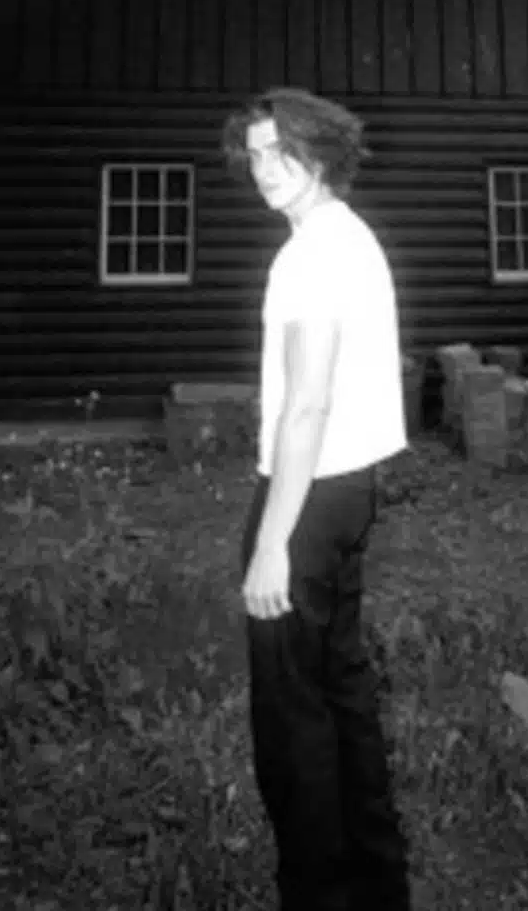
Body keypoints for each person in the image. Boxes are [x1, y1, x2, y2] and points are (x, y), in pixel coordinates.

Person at [222, 87, 412, 911]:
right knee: (342, 693)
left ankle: (319, 893)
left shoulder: (309, 258)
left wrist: (272, 542)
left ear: (323, 153)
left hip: (304, 502)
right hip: (349, 492)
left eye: (281, 152)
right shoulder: (352, 238)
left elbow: (307, 404)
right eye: (254, 154)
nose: (264, 169)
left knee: (291, 718)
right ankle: (377, 886)